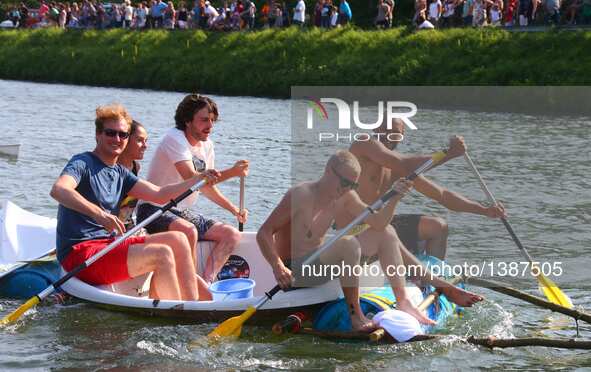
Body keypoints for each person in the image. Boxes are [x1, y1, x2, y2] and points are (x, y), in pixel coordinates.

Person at [51, 104, 218, 301]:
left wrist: (198, 179)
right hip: (80, 255)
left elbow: (160, 194)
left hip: (107, 245)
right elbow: (59, 190)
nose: (117, 139)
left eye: (123, 135)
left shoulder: (121, 172)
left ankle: (190, 307)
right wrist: (99, 214)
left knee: (179, 239)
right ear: (98, 135)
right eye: (110, 133)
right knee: (162, 253)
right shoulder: (82, 162)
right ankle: (178, 315)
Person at [349, 118, 506, 261]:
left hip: (379, 224)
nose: (389, 136)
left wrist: (484, 210)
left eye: (395, 133)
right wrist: (449, 154)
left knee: (438, 227)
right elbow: (403, 163)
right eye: (386, 130)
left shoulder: (398, 167)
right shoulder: (364, 144)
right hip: (351, 226)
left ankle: (429, 283)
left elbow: (442, 195)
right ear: (375, 128)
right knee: (385, 231)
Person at [137, 94, 249, 284]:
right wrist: (232, 172)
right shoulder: (174, 139)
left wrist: (233, 210)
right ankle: (191, 285)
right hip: (153, 209)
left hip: (181, 212)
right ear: (187, 121)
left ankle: (208, 282)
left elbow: (206, 186)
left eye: (213, 120)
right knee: (189, 231)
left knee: (231, 234)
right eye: (204, 120)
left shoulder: (207, 145)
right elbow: (192, 178)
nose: (210, 126)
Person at [117, 120, 148, 230]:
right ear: (126, 140)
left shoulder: (135, 167)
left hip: (130, 227)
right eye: (140, 140)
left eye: (146, 141)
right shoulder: (113, 169)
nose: (145, 146)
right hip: (115, 232)